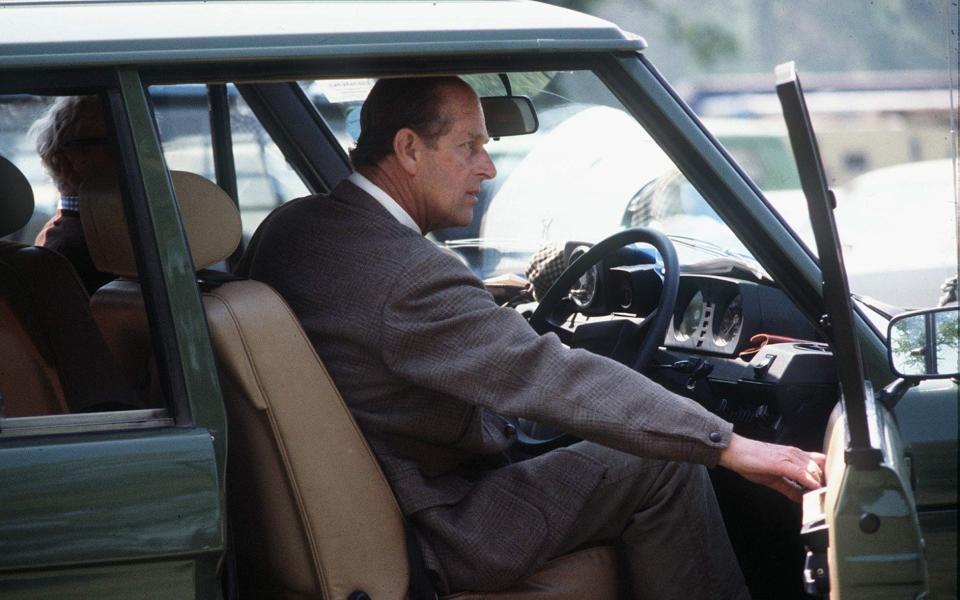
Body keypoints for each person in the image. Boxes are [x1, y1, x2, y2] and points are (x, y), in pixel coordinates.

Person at [239, 77, 825, 598]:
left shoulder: (294, 229)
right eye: (469, 146)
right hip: (438, 523)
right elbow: (551, 373)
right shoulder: (410, 277)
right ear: (408, 149)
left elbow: (399, 330)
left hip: (373, 496)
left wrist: (492, 303)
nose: (488, 168)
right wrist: (726, 443)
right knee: (660, 465)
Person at [31, 95, 115, 294]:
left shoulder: (62, 236)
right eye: (113, 141)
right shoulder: (82, 248)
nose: (139, 152)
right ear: (63, 161)